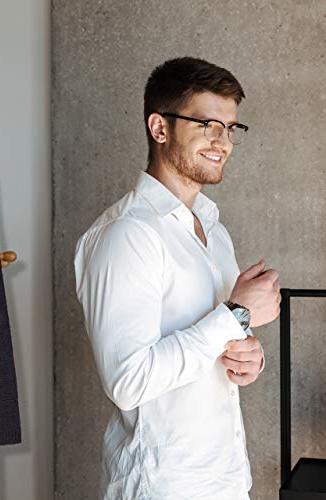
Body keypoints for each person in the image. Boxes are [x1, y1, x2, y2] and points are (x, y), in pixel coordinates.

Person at [74, 57, 281, 500]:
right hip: (163, 487)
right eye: (207, 124)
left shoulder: (214, 230)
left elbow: (214, 342)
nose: (222, 141)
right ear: (160, 127)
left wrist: (248, 356)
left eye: (230, 128)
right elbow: (128, 381)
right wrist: (237, 312)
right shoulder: (127, 234)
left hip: (226, 479)